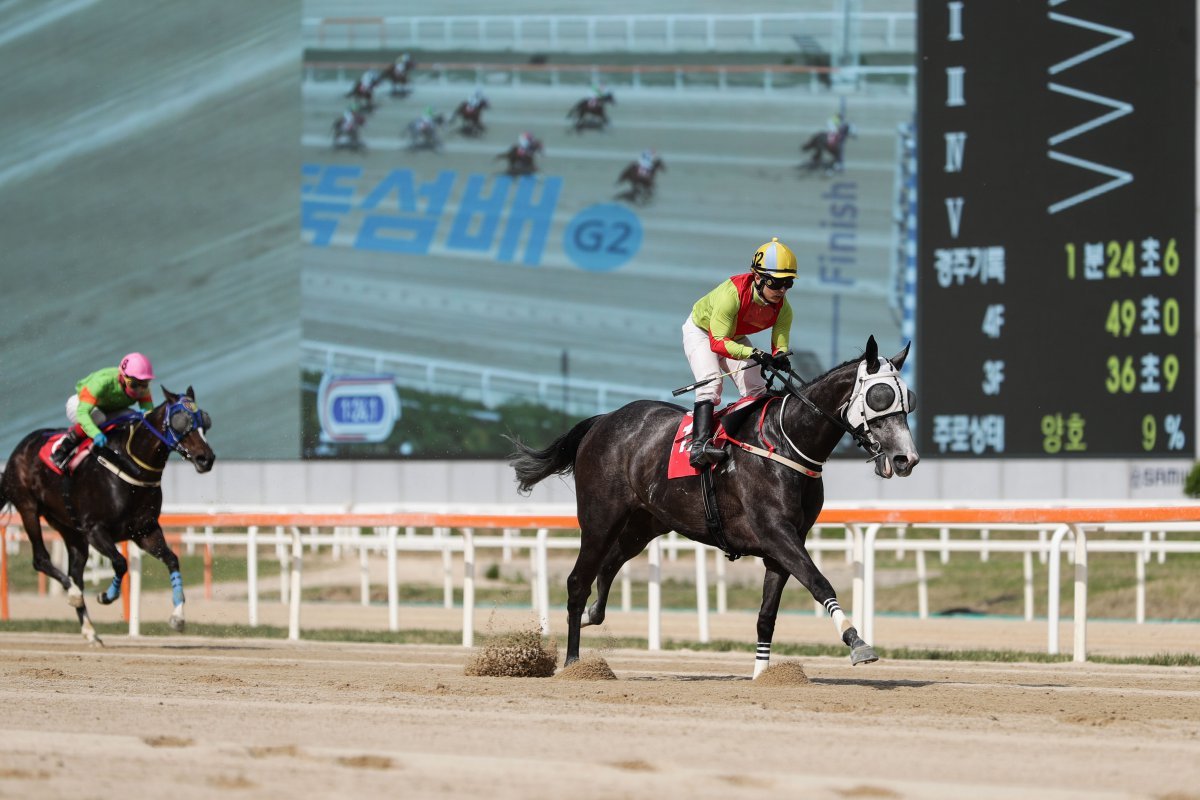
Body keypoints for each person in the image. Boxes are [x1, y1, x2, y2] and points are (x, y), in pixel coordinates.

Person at [682, 238, 796, 468]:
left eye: (788, 283)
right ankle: (699, 446)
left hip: (733, 337)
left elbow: (780, 343)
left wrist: (780, 356)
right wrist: (754, 353)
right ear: (757, 278)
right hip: (703, 333)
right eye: (776, 283)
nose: (782, 290)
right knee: (711, 384)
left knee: (757, 389)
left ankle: (753, 437)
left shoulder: (784, 309)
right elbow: (718, 343)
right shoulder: (731, 295)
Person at [50, 353, 156, 469]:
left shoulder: (143, 390)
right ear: (122, 377)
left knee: (132, 416)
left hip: (106, 410)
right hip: (80, 405)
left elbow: (149, 416)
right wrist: (96, 434)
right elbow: (82, 413)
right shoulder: (102, 382)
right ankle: (64, 448)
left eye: (144, 385)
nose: (139, 390)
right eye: (134, 384)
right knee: (98, 417)